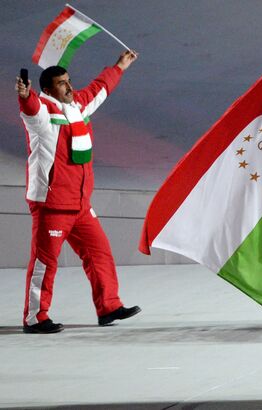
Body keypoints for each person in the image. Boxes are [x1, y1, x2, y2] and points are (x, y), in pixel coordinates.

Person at [15, 50, 141, 334]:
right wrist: (24, 95)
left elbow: (100, 89)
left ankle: (109, 307)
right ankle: (35, 318)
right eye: (62, 83)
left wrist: (120, 65)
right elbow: (30, 108)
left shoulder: (77, 106)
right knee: (44, 263)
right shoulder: (42, 112)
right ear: (48, 90)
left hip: (81, 204)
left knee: (100, 255)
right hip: (53, 204)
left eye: (70, 81)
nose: (69, 87)